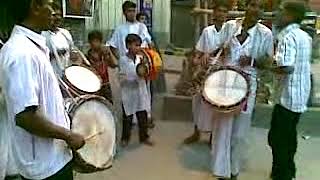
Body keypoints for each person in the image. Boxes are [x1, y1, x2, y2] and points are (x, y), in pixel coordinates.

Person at [0, 0, 85, 179]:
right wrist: (68, 135)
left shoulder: (33, 46)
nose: (54, 12)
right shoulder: (21, 53)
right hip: (45, 165)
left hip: (54, 156)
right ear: (35, 7)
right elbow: (25, 116)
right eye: (50, 4)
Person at [209, 0, 273, 179]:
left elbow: (268, 62)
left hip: (247, 87)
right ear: (246, 7)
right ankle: (220, 172)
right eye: (253, 5)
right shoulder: (230, 26)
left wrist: (252, 61)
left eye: (260, 7)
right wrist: (220, 51)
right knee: (222, 128)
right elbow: (216, 49)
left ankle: (234, 171)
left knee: (239, 132)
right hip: (225, 83)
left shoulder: (265, 34)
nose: (256, 10)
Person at [268, 1, 311, 180]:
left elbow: (286, 67)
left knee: (277, 139)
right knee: (289, 136)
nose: (277, 15)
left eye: (281, 12)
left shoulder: (287, 36)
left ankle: (282, 174)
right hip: (299, 95)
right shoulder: (304, 36)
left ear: (290, 15)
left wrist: (267, 66)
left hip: (287, 96)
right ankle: (288, 170)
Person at [183, 0, 229, 145]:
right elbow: (199, 51)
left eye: (224, 11)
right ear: (214, 13)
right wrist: (197, 60)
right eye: (218, 11)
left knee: (216, 105)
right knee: (198, 102)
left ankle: (212, 137)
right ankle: (196, 133)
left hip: (221, 72)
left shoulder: (231, 32)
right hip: (205, 72)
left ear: (227, 14)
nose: (221, 14)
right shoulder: (207, 31)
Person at [119, 34, 154, 147]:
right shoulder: (123, 60)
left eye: (139, 45)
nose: (138, 48)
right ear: (128, 45)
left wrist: (145, 69)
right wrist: (134, 76)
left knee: (142, 115)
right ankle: (125, 138)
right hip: (128, 91)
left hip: (140, 90)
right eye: (136, 45)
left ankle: (144, 137)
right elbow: (122, 76)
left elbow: (146, 72)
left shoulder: (140, 59)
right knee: (127, 117)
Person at [42, 2, 75, 78]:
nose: (58, 18)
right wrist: (54, 53)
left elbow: (72, 51)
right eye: (54, 15)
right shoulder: (42, 35)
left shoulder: (65, 33)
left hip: (66, 76)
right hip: (50, 76)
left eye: (59, 15)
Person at [87, 30, 118, 102]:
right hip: (93, 86)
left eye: (97, 41)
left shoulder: (104, 54)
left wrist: (109, 52)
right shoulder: (87, 57)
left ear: (100, 42)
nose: (94, 43)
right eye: (93, 41)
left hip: (105, 86)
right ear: (90, 42)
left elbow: (115, 64)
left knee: (108, 106)